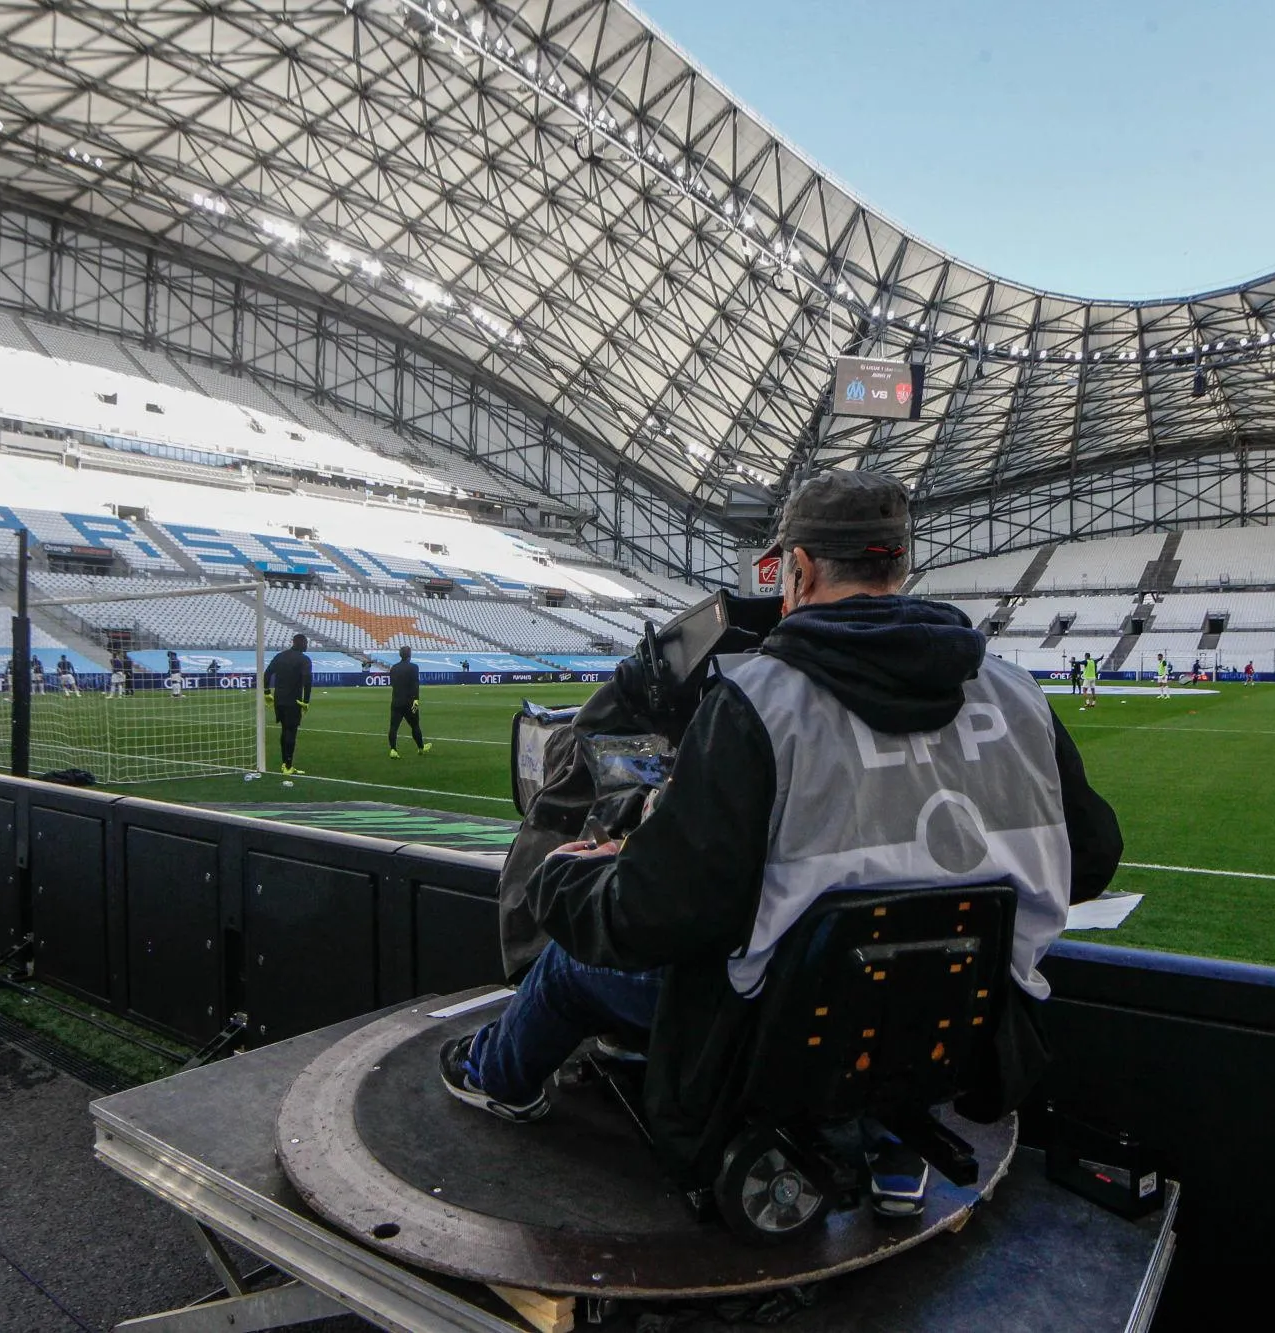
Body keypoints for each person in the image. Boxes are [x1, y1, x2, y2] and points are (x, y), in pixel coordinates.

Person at [439, 470, 1123, 1215]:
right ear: (900, 565)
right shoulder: (1017, 693)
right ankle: (893, 1144)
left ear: (797, 570)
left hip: (770, 1043)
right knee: (886, 964)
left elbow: (653, 917)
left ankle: (495, 1079)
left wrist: (569, 876)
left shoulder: (760, 701)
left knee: (572, 965)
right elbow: (1089, 858)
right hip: (966, 1030)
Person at [264, 633, 313, 774]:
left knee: (285, 730)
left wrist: (267, 692)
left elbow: (267, 674)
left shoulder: (280, 656)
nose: (307, 646)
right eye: (306, 643)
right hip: (294, 701)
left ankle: (285, 764)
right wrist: (306, 701)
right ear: (302, 643)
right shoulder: (304, 660)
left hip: (279, 700)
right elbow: (307, 681)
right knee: (291, 731)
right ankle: (288, 766)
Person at [388, 645, 430, 757]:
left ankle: (393, 750)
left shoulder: (394, 668)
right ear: (410, 655)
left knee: (393, 726)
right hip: (409, 702)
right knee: (415, 725)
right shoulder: (414, 667)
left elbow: (392, 684)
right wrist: (416, 700)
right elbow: (415, 685)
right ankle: (421, 748)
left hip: (396, 701)